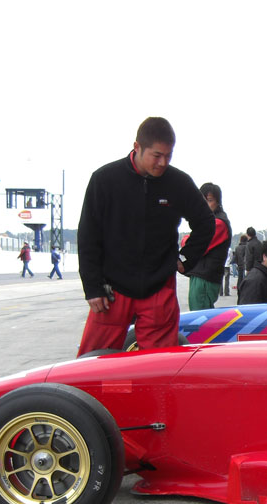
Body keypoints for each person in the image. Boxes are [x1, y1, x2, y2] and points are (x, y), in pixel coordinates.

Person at [77, 116, 215, 355]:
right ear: (137, 147)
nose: (163, 163)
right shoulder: (105, 180)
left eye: (168, 156)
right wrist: (92, 287)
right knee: (92, 363)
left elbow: (205, 222)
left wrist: (185, 259)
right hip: (112, 291)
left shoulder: (178, 183)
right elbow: (88, 235)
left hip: (158, 290)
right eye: (156, 155)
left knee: (160, 365)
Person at [181, 182, 232, 310]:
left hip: (205, 277)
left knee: (200, 315)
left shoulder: (218, 223)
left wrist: (187, 239)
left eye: (209, 200)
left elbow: (194, 246)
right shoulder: (209, 221)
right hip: (201, 274)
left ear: (218, 202)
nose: (204, 204)